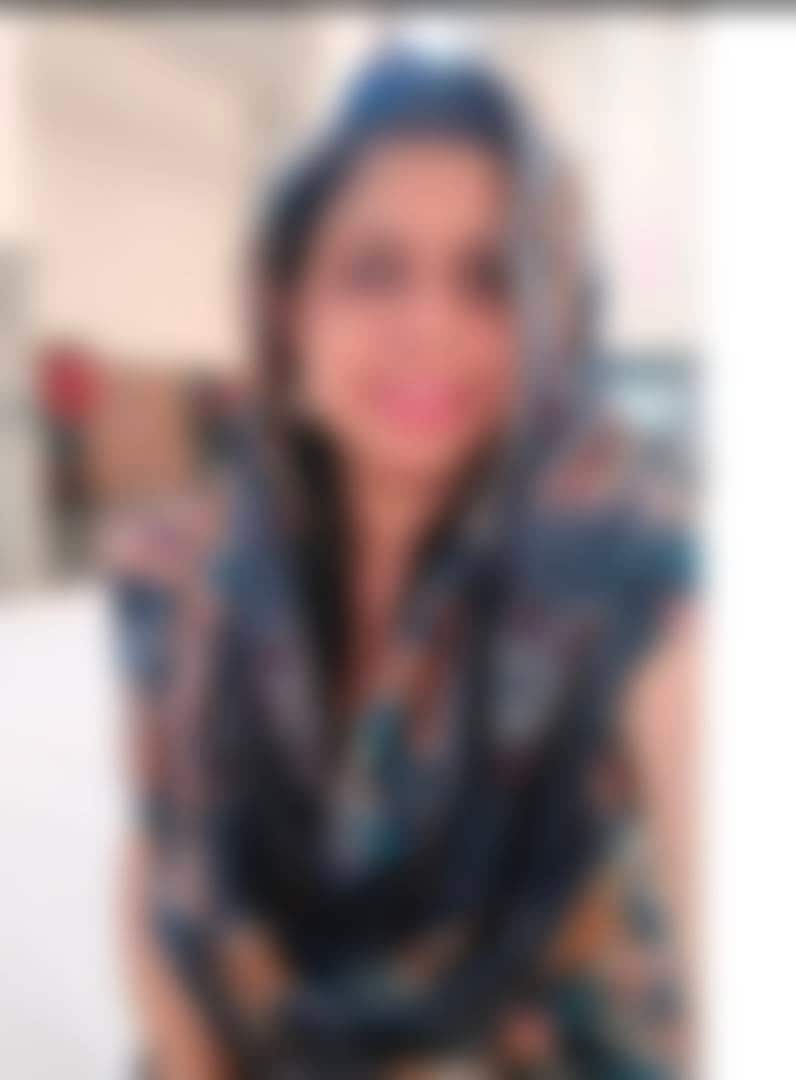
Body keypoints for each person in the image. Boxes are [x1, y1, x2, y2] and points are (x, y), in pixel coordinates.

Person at [107, 48, 696, 1079]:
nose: (431, 326)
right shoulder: (174, 569)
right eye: (374, 270)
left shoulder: (621, 573)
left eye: (489, 280)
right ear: (287, 311)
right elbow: (159, 867)